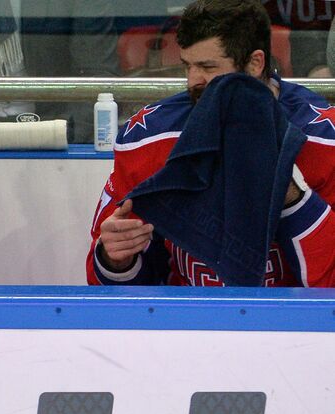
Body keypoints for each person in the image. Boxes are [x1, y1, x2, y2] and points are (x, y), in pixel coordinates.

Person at [88, 0, 335, 287]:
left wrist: (291, 191)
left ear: (255, 63)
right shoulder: (147, 137)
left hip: (292, 325)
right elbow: (108, 282)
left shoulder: (324, 139)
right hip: (185, 323)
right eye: (187, 66)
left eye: (207, 67)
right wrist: (116, 260)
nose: (194, 80)